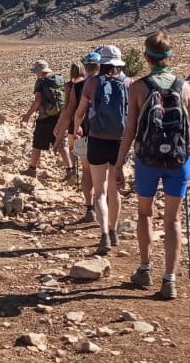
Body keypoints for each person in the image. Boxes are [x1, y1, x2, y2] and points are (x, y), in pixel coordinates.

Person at [116, 31, 190, 300]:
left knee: (145, 213)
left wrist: (119, 164)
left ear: (146, 57)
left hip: (147, 160)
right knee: (173, 219)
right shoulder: (183, 86)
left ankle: (144, 269)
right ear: (170, 56)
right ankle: (169, 279)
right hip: (178, 160)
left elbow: (130, 130)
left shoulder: (138, 87)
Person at [73, 45, 129, 254]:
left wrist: (76, 127)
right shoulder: (128, 82)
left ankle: (104, 233)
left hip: (97, 140)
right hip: (119, 142)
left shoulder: (92, 83)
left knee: (100, 191)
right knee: (115, 190)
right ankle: (114, 231)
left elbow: (80, 111)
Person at [55, 52, 100, 222]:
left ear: (85, 66)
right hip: (108, 137)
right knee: (106, 174)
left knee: (87, 171)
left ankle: (90, 209)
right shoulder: (110, 82)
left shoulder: (79, 86)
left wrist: (61, 135)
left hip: (83, 133)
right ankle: (106, 211)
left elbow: (69, 111)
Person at [19, 59, 72, 178]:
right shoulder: (60, 79)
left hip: (45, 118)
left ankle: (32, 169)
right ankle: (70, 169)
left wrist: (27, 116)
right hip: (60, 117)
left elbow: (37, 101)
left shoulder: (41, 82)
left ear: (39, 71)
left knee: (37, 143)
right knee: (61, 142)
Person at [57, 61, 85, 183]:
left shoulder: (69, 85)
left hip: (73, 118)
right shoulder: (87, 83)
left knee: (72, 147)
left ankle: (73, 171)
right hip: (85, 119)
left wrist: (60, 122)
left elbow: (67, 105)